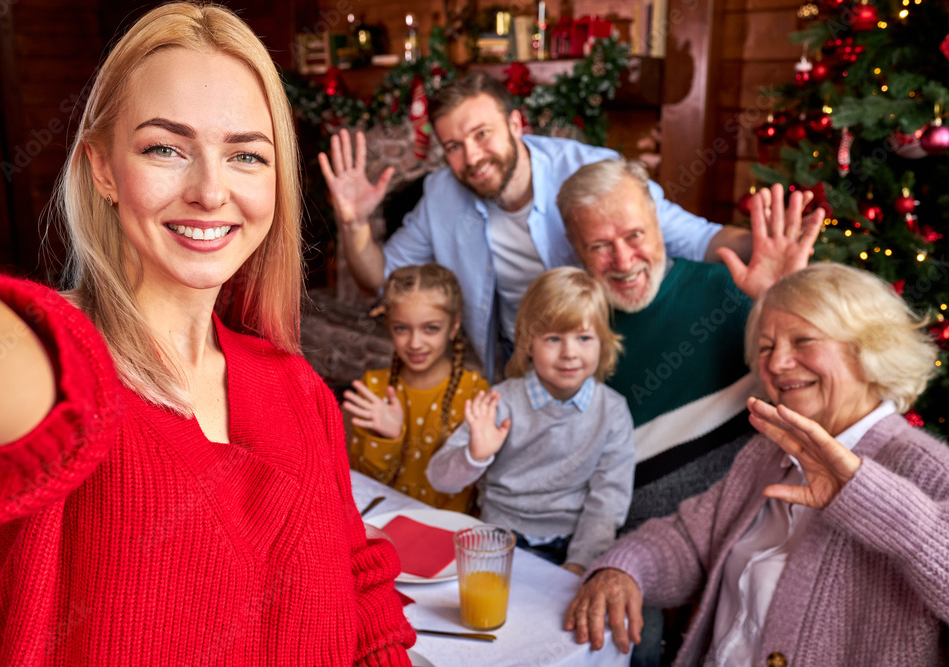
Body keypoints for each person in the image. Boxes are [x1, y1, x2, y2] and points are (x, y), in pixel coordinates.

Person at [0, 4, 414, 665]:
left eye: (246, 154)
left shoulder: (299, 388)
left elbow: (358, 582)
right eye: (165, 148)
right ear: (103, 169)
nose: (209, 189)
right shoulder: (57, 371)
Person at [564, 262, 949, 666]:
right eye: (766, 347)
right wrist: (624, 569)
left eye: (803, 340)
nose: (778, 363)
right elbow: (688, 542)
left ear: (869, 348)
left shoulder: (927, 467)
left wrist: (865, 496)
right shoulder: (768, 453)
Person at [318, 73, 755, 379]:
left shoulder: (592, 171)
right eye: (454, 145)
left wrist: (763, 244)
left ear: (515, 124)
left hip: (600, 357)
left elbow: (698, 238)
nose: (471, 157)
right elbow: (380, 280)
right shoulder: (440, 195)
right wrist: (355, 223)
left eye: (482, 134)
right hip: (511, 364)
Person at [558, 158, 820, 664]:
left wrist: (779, 303)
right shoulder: (573, 325)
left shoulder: (731, 291)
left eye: (635, 234)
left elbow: (814, 405)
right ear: (576, 250)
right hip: (626, 545)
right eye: (599, 246)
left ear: (660, 225)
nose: (624, 259)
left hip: (737, 527)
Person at [427, 267, 635, 575]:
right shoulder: (500, 402)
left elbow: (608, 501)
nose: (569, 353)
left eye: (584, 337)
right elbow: (438, 478)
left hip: (572, 546)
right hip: (498, 537)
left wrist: (580, 562)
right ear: (527, 342)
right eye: (553, 338)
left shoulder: (613, 412)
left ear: (602, 343)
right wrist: (476, 455)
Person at [344, 263, 489, 513]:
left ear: (454, 325)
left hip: (449, 529)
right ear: (390, 325)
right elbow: (361, 483)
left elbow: (477, 482)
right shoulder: (374, 388)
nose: (415, 343)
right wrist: (386, 438)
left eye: (431, 328)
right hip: (385, 520)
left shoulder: (475, 392)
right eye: (402, 328)